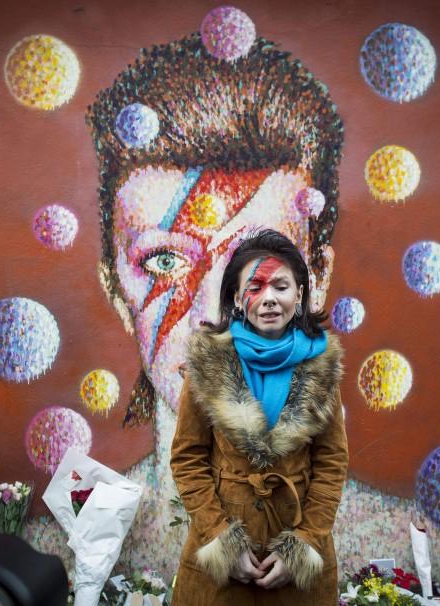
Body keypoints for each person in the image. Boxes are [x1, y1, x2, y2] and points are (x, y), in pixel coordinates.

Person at [85, 30, 344, 577]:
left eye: (260, 267)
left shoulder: (398, 522)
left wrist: (302, 549)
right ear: (115, 291)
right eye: (164, 264)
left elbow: (331, 467)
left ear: (315, 278)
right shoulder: (81, 542)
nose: (213, 310)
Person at [169, 229, 348, 605]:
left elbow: (331, 463)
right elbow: (188, 459)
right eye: (255, 286)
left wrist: (303, 546)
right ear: (237, 297)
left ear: (299, 295)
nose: (268, 298)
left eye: (281, 286)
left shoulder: (320, 366)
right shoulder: (210, 363)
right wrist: (222, 542)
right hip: (222, 564)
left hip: (298, 561)